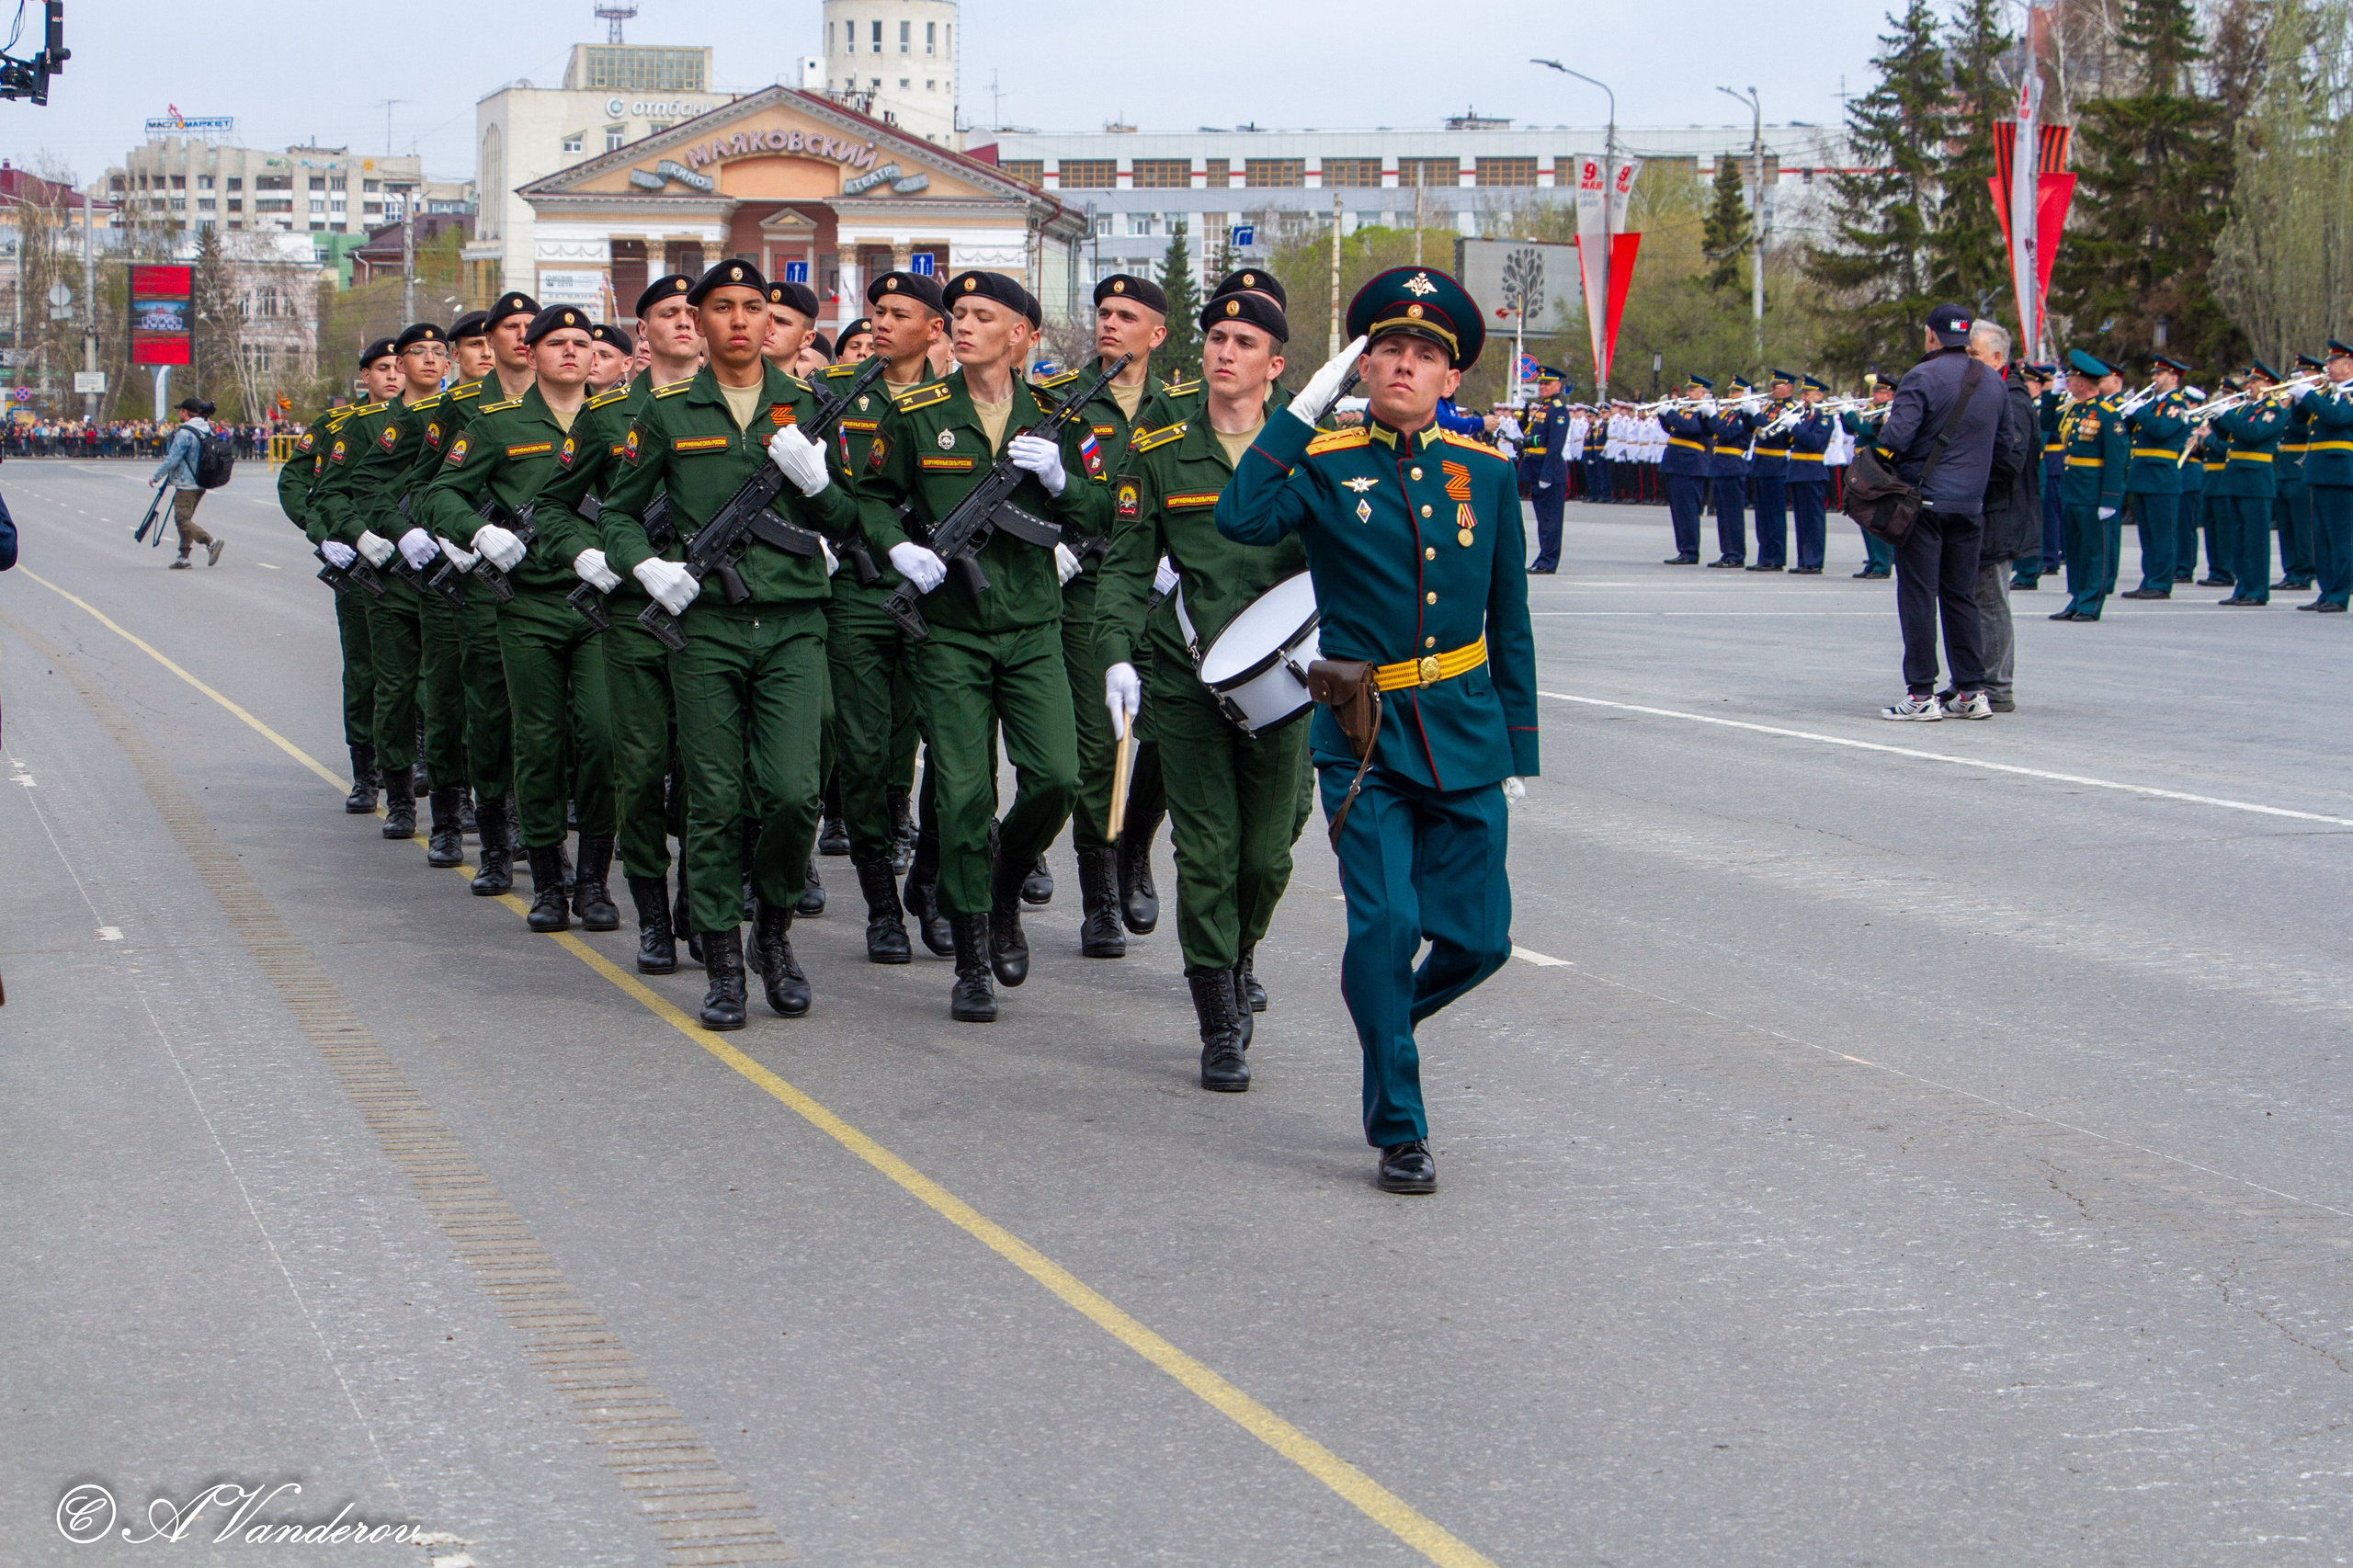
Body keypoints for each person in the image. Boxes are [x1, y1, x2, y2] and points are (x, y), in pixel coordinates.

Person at [1215, 265, 1538, 1196]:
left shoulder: (1487, 474)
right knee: (1387, 924)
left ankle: (1383, 1011)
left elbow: (1510, 620)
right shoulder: (1324, 465)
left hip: (1465, 730)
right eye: (1387, 349)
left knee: (1481, 943)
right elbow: (1241, 517)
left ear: (1451, 377)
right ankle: (1400, 1126)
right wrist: (1300, 412)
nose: (1404, 364)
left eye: (1424, 355)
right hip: (1364, 740)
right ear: (1362, 367)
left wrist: (1517, 745)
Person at [598, 260, 868, 1028]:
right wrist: (645, 567)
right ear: (701, 321)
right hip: (708, 628)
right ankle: (723, 965)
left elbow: (854, 519)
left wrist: (818, 486)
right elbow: (618, 513)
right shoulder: (667, 412)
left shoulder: (811, 406)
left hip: (794, 625)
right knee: (713, 801)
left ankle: (772, 935)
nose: (742, 320)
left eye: (755, 308)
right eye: (723, 307)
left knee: (793, 795)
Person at [860, 268, 1102, 1024]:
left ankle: (1005, 882)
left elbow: (1105, 509)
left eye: (982, 316)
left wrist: (1061, 481)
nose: (963, 325)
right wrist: (898, 549)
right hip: (950, 635)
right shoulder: (918, 412)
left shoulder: (1058, 417)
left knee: (1058, 778)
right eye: (958, 314)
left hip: (1031, 629)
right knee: (964, 795)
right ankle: (971, 958)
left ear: (1021, 335)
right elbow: (872, 497)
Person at [1097, 285, 1307, 1091]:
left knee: (1267, 857)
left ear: (1275, 365)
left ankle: (1241, 950)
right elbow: (1125, 566)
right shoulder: (1160, 450)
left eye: (1245, 343)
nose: (1226, 351)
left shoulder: (1312, 454)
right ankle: (1218, 1018)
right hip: (1188, 679)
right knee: (1209, 853)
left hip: (1284, 685)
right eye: (1218, 336)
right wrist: (1116, 654)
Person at [537, 273, 704, 971]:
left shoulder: (740, 409)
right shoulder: (607, 416)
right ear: (644, 332)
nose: (686, 322)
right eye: (670, 313)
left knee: (708, 772)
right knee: (637, 770)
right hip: (635, 613)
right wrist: (586, 554)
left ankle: (699, 894)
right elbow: (552, 506)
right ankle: (653, 915)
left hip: (715, 613)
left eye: (694, 312)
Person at [1033, 272, 1176, 958]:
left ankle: (1135, 842)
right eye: (1103, 312)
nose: (1109, 324)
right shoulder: (1060, 402)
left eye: (1126, 315)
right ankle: (1100, 897)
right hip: (1088, 591)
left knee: (1171, 734)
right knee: (1100, 747)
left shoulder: (1180, 408)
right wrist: (1052, 539)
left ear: (1158, 334)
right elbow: (1019, 490)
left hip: (1167, 597)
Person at [821, 267, 948, 964]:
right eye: (877, 312)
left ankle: (928, 875)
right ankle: (879, 904)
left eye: (900, 313)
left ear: (934, 328)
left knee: (954, 752)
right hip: (860, 589)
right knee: (865, 754)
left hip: (941, 594)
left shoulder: (957, 399)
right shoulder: (835, 394)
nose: (882, 323)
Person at [1873, 303, 2003, 719]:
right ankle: (1971, 691)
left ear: (1931, 334)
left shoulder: (1922, 375)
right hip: (1969, 504)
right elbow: (2006, 448)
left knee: (1918, 596)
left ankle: (1921, 694)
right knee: (1961, 596)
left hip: (1924, 502)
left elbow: (1896, 438)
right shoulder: (1993, 382)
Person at [282, 390, 378, 812]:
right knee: (363, 669)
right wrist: (322, 534)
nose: (393, 374)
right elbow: (298, 483)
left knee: (422, 674)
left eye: (396, 365)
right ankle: (366, 770)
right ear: (366, 376)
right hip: (357, 560)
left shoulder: (434, 417)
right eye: (383, 367)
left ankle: (414, 760)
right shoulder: (338, 425)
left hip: (417, 561)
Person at [1959, 324, 2036, 711]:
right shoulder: (1983, 389)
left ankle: (1996, 685)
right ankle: (1971, 680)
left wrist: (1964, 458)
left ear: (1997, 357)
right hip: (1979, 508)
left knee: (1990, 600)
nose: (1967, 361)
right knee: (1973, 597)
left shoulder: (2013, 397)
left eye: (1973, 354)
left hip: (2000, 512)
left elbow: (2010, 460)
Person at [2049, 351, 2128, 622]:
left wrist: (2110, 499)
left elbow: (2116, 461)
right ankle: (2077, 597)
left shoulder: (2108, 415)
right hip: (2072, 489)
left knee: (2095, 550)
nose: (2068, 382)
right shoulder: (2074, 410)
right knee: (2076, 550)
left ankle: (2091, 603)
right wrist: (2051, 395)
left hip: (2093, 493)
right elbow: (2046, 423)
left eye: (2071, 378)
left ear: (2082, 383)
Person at [2211, 362, 2291, 606]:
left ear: (2268, 385)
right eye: (2249, 382)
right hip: (2236, 478)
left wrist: (2227, 415)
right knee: (2238, 538)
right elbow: (2227, 434)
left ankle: (2257, 590)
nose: (2249, 386)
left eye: (2255, 382)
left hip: (2256, 479)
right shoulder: (2246, 409)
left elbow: (2251, 434)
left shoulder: (2273, 410)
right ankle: (2242, 588)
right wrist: (2217, 417)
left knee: (2255, 539)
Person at [2119, 355, 2193, 599]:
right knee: (2148, 535)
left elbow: (2161, 430)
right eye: (2154, 374)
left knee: (2162, 535)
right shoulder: (2152, 404)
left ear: (2173, 379)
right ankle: (2149, 579)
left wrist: (2139, 412)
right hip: (2143, 474)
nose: (2154, 378)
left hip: (2162, 477)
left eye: (2160, 374)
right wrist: (2129, 413)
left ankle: (2160, 583)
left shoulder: (2176, 405)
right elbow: (2129, 431)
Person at [2295, 341, 2353, 612]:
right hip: (2319, 470)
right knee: (2321, 538)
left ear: (2349, 366)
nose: (2327, 367)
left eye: (2333, 362)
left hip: (2340, 473)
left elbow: (2337, 418)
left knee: (2340, 537)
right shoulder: (2328, 393)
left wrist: (2308, 395)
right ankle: (2327, 591)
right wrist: (2299, 398)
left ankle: (2339, 595)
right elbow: (2298, 422)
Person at [151, 397, 224, 569]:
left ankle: (210, 542)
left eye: (180, 410)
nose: (178, 413)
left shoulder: (185, 432)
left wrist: (155, 476)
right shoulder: (205, 428)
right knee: (185, 520)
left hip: (187, 483)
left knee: (182, 520)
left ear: (185, 412)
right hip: (202, 481)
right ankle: (184, 557)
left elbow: (173, 458)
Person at [1842, 375, 1897, 578]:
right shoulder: (1872, 410)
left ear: (1889, 394)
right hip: (1863, 464)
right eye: (1873, 391)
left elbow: (1867, 430)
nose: (1873, 395)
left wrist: (1850, 414)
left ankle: (1882, 564)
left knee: (1876, 515)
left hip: (1878, 466)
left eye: (1878, 392)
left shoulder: (1889, 412)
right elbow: (1852, 431)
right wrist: (1846, 414)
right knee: (1864, 516)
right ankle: (1873, 561)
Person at [1657, 376, 1713, 563]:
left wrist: (1671, 414)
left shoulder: (1705, 411)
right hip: (1676, 463)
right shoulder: (1687, 408)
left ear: (1703, 393)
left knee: (1688, 510)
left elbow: (1691, 428)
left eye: (1692, 390)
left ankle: (1690, 551)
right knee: (1678, 511)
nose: (1687, 393)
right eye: (1688, 389)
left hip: (1690, 465)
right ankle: (1683, 549)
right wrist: (1663, 414)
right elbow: (1672, 428)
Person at [1746, 370, 1798, 571]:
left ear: (1789, 387)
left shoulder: (1791, 409)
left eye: (1777, 385)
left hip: (1775, 465)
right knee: (1762, 516)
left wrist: (1756, 415)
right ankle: (1764, 556)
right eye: (1772, 385)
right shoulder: (1769, 407)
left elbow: (1774, 435)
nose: (1772, 389)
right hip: (1760, 464)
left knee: (1774, 515)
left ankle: (1776, 558)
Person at [1785, 375, 1834, 573]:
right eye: (1803, 394)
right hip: (1797, 470)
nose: (1803, 397)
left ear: (1819, 395)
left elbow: (1814, 442)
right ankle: (1804, 559)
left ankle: (1814, 561)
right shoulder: (1804, 415)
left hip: (1812, 471)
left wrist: (1795, 427)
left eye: (1808, 394)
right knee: (1802, 520)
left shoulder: (1824, 417)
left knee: (1813, 520)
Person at [1704, 378, 1756, 566]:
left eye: (1735, 392)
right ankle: (1727, 552)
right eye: (1731, 392)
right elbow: (1711, 432)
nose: (1730, 395)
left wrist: (1713, 416)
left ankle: (1736, 554)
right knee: (1723, 515)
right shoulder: (1730, 414)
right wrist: (1706, 414)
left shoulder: (1744, 416)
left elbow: (1726, 435)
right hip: (1720, 465)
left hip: (1733, 466)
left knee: (1733, 514)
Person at [1526, 368, 1570, 572]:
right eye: (1541, 383)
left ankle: (1548, 561)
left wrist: (1548, 473)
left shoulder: (1558, 410)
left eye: (1547, 383)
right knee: (1543, 519)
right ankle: (1543, 558)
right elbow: (1534, 438)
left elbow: (1555, 445)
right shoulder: (1544, 407)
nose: (1542, 387)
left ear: (1558, 386)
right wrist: (1522, 419)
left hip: (1548, 471)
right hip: (1536, 468)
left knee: (1551, 520)